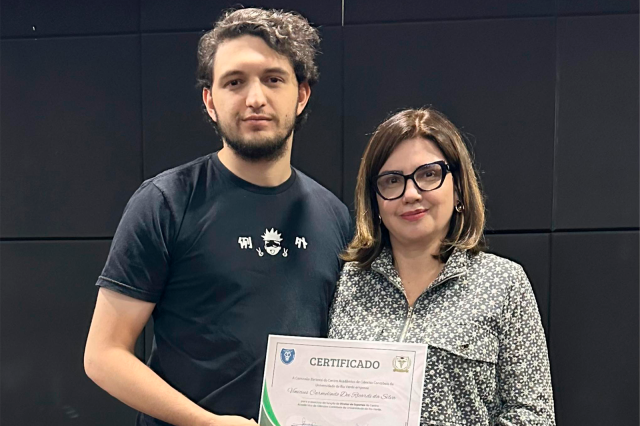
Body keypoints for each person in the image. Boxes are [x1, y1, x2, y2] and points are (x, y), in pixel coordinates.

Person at [84, 8, 351, 426]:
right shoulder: (165, 202)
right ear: (210, 101)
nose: (255, 98)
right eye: (234, 82)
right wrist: (208, 423)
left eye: (273, 79)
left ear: (301, 95)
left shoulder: (335, 216)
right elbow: (103, 355)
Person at [329, 108, 555, 425]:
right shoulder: (347, 282)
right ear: (375, 200)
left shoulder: (503, 283)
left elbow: (533, 416)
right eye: (392, 181)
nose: (410, 194)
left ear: (458, 188)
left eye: (428, 175)